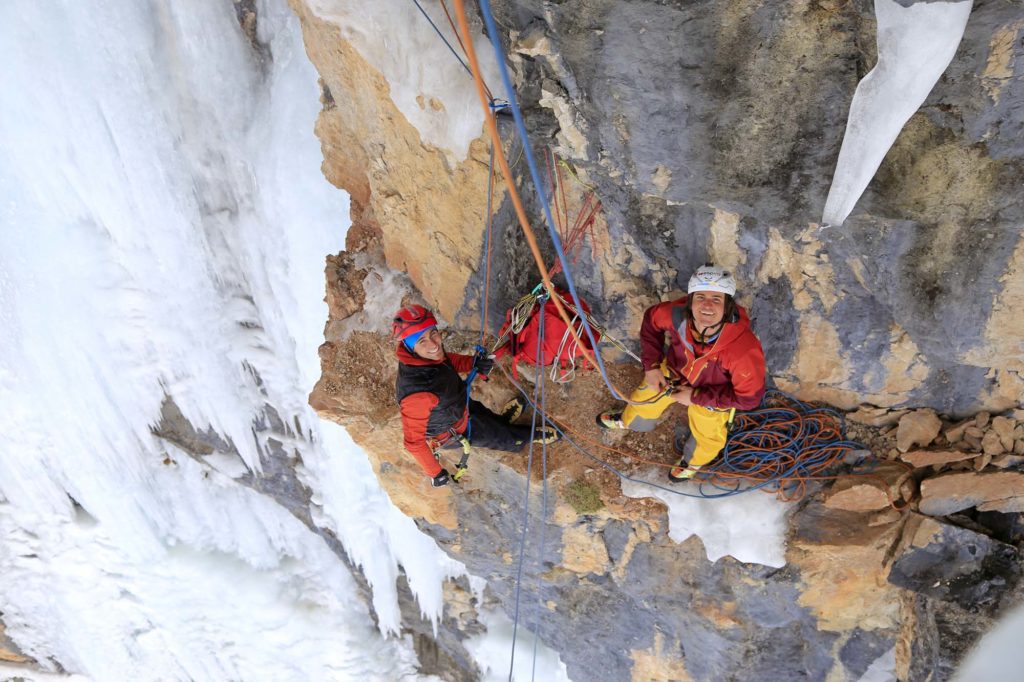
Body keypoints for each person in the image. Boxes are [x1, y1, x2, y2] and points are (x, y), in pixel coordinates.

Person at [597, 264, 766, 481]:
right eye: (701, 297)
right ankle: (628, 421)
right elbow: (651, 321)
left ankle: (692, 462)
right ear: (691, 300)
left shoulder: (742, 349)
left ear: (728, 306)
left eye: (716, 299)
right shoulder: (678, 315)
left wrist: (696, 397)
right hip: (675, 373)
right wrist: (652, 367)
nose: (706, 306)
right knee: (643, 400)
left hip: (712, 393)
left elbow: (749, 399)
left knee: (708, 434)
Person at [393, 304, 558, 487]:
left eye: (433, 333)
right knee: (501, 438)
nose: (433, 344)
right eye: (421, 341)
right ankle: (528, 436)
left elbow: (447, 361)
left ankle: (503, 421)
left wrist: (473, 363)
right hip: (455, 429)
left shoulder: (424, 356)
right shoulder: (416, 395)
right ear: (410, 347)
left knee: (488, 417)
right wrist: (435, 473)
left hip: (459, 405)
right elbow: (414, 443)